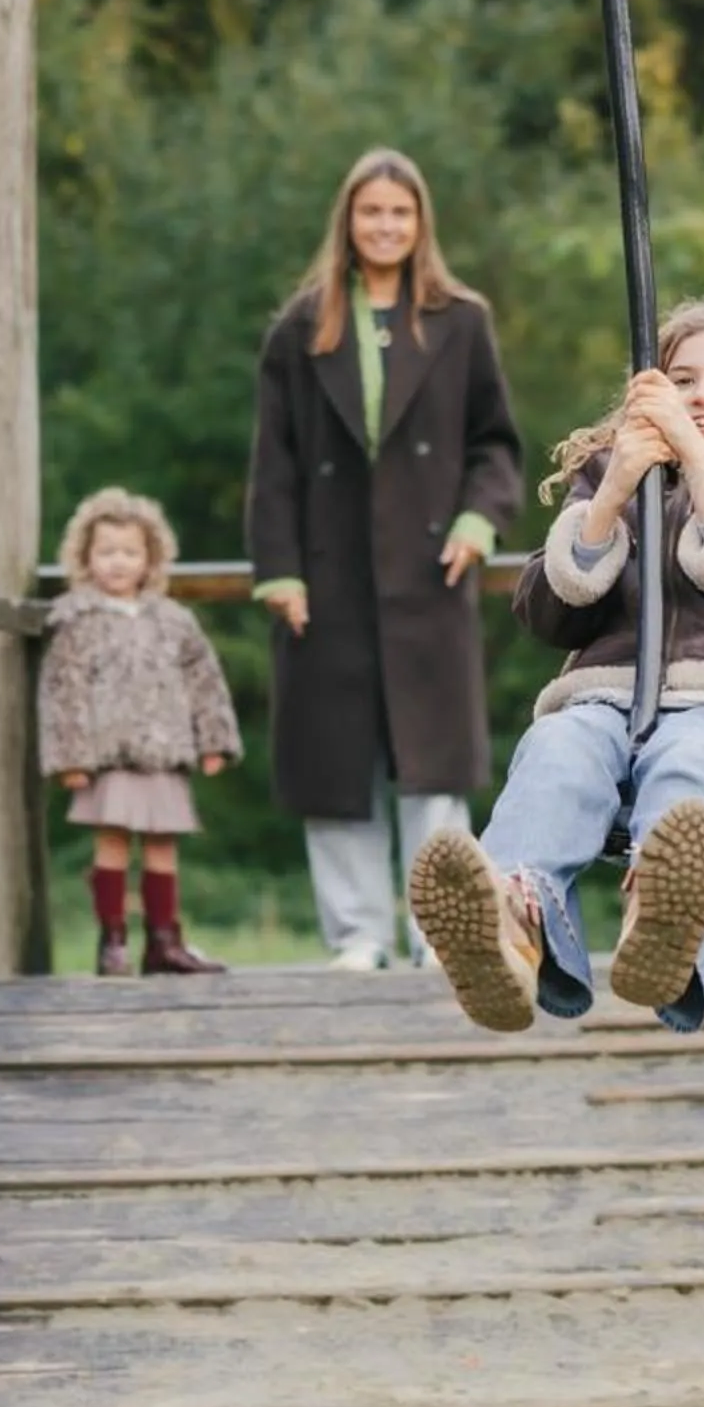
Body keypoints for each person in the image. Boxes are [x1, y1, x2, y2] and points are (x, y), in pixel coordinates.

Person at [407, 299, 704, 1035]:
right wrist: (612, 491)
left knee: (698, 762)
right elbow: (547, 614)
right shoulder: (614, 470)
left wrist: (701, 466)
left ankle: (666, 918)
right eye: (684, 379)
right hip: (608, 690)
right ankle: (513, 923)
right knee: (555, 750)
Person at [247, 148, 525, 971]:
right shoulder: (300, 328)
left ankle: (442, 934)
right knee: (335, 764)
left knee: (432, 765)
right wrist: (279, 569)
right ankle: (358, 937)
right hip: (326, 576)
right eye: (371, 211)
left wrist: (478, 520)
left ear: (419, 223)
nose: (385, 226)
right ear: (349, 220)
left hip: (429, 571)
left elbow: (495, 444)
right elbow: (274, 461)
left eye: (400, 213)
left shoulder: (460, 321)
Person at [37, 487, 244, 977]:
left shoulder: (173, 621)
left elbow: (204, 680)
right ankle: (112, 942)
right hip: (109, 755)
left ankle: (164, 942)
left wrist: (214, 741)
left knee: (162, 844)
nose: (118, 562)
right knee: (112, 842)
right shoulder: (78, 620)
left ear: (150, 558)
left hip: (164, 752)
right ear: (86, 557)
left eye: (130, 552)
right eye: (106, 551)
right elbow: (63, 691)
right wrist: (70, 758)